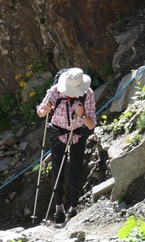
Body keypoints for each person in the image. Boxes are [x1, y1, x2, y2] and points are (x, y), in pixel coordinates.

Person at [36, 68, 97, 223]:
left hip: (78, 134)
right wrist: (45, 110)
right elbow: (40, 112)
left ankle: (74, 208)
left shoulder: (87, 94)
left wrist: (82, 115)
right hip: (58, 133)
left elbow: (91, 125)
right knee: (58, 170)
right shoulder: (55, 92)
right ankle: (58, 208)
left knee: (75, 170)